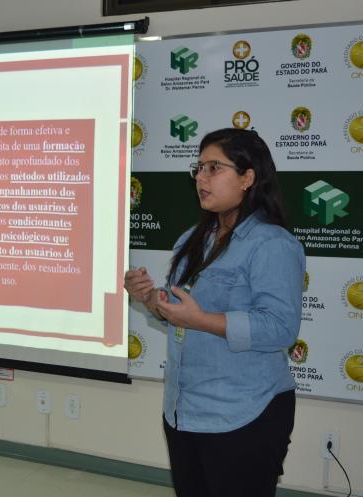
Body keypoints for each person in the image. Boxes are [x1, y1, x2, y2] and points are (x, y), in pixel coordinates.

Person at [124, 128, 305, 497]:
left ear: (248, 178)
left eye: (214, 168)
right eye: (199, 168)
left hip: (245, 414)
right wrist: (149, 299)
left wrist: (200, 320)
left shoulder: (272, 244)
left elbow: (280, 328)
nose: (200, 178)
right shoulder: (193, 239)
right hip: (184, 411)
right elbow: (180, 311)